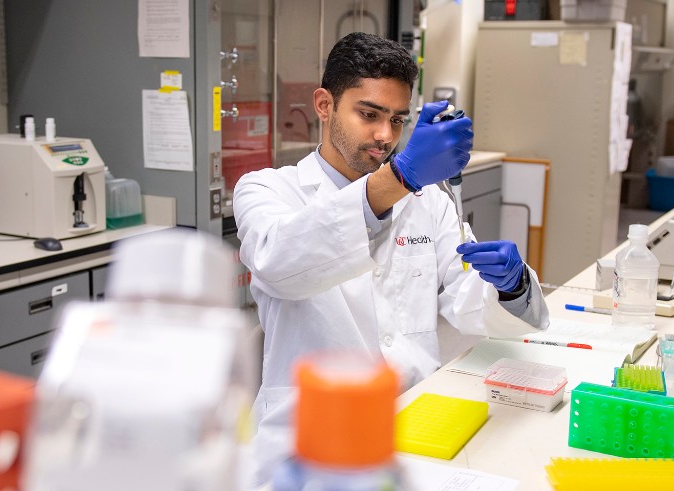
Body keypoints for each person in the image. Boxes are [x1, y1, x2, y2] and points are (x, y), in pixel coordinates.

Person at [233, 32, 549, 484]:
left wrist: (510, 285)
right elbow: (279, 263)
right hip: (310, 442)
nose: (385, 136)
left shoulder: (429, 203)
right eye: (369, 114)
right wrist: (400, 177)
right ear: (324, 105)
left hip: (418, 422)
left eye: (398, 120)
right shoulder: (267, 190)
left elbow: (465, 300)